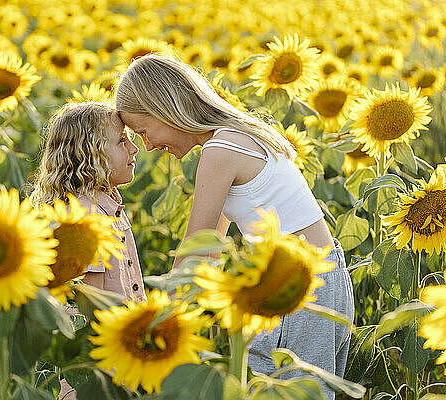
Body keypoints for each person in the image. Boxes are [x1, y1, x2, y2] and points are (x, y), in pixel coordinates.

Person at [115, 54, 354, 400]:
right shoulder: (239, 134)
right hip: (326, 280)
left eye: (142, 131)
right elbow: (211, 251)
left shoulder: (219, 151)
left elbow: (193, 249)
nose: (148, 146)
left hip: (295, 292)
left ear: (164, 108)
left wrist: (150, 324)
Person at [29, 101, 146, 400]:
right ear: (88, 154)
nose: (134, 149)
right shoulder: (83, 219)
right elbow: (87, 307)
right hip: (95, 370)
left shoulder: (107, 207)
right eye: (122, 141)